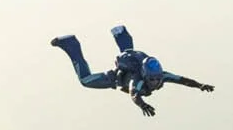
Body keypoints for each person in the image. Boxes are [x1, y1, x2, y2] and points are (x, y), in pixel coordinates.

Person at [50, 25, 214, 114]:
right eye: (153, 79)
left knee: (128, 52)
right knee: (85, 81)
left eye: (157, 79)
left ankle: (120, 33)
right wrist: (143, 105)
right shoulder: (138, 81)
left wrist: (200, 85)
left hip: (129, 64)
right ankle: (71, 45)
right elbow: (134, 94)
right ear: (144, 75)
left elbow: (182, 80)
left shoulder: (162, 75)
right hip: (114, 78)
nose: (156, 82)